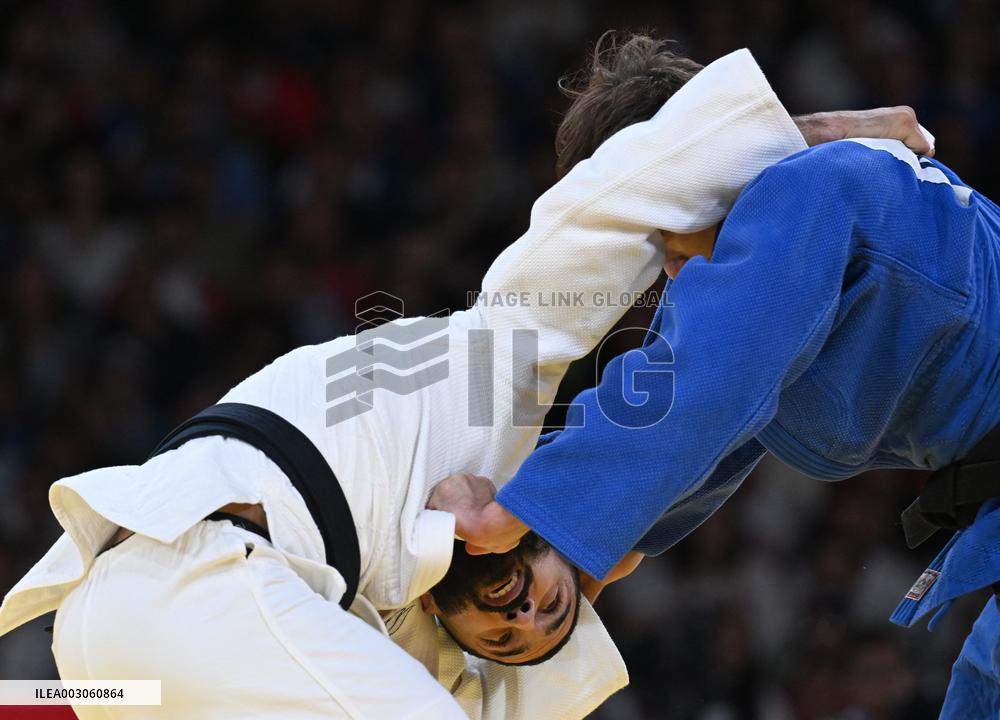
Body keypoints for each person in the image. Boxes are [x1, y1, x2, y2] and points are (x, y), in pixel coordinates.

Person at [0, 38, 929, 719]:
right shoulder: (504, 363)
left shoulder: (435, 493)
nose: (522, 607)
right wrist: (827, 141)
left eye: (512, 624)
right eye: (540, 601)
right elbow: (619, 212)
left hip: (116, 665)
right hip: (194, 588)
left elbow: (484, 675)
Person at [441, 32, 1000, 719]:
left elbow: (700, 384)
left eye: (645, 241)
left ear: (681, 183)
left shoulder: (803, 193)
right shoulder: (794, 217)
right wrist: (583, 554)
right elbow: (704, 432)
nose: (657, 275)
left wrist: (516, 509)